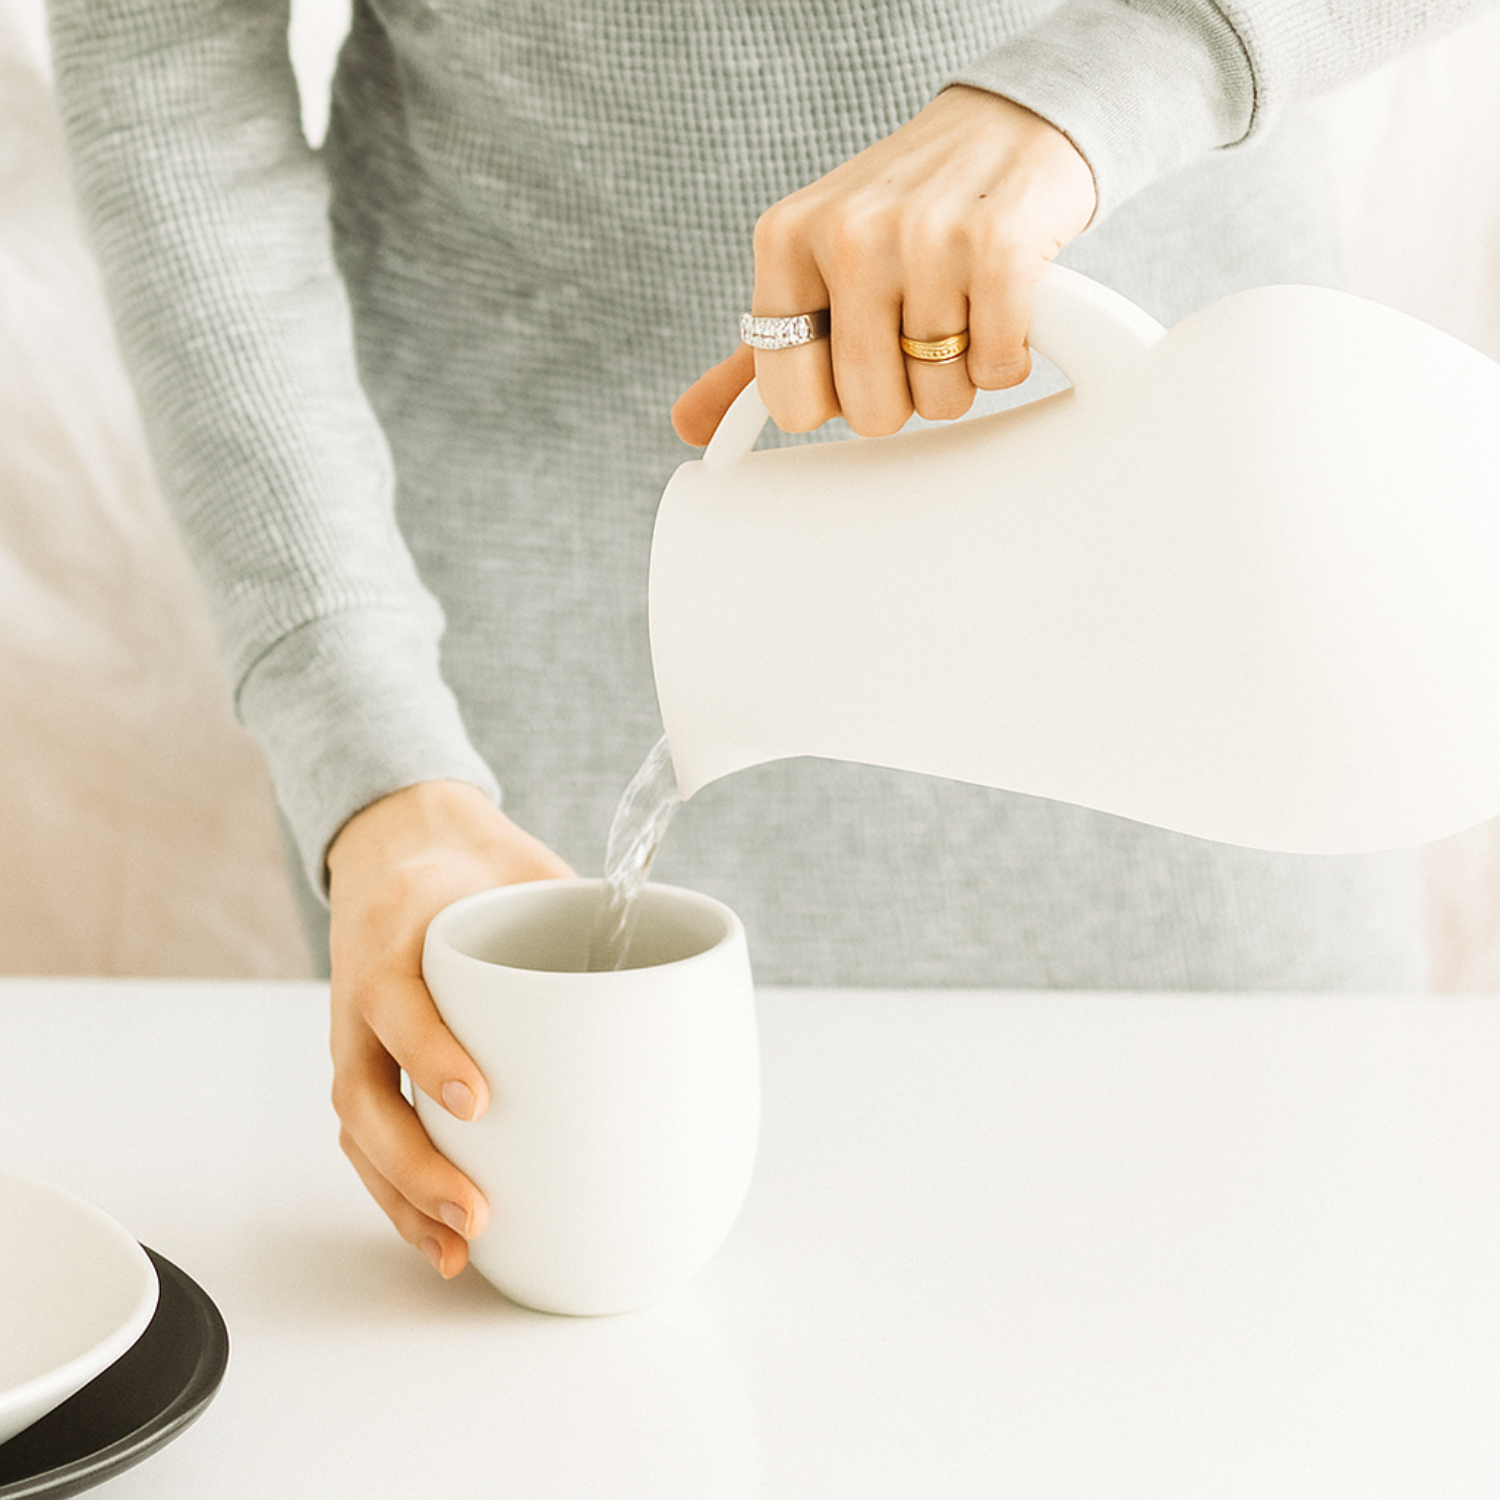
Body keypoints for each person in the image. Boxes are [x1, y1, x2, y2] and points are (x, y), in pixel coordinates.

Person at [49, 0, 1489, 1277]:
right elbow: (163, 50)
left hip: (1221, 570)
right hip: (502, 641)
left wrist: (1136, 60)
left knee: (1273, 1308)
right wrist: (364, 744)